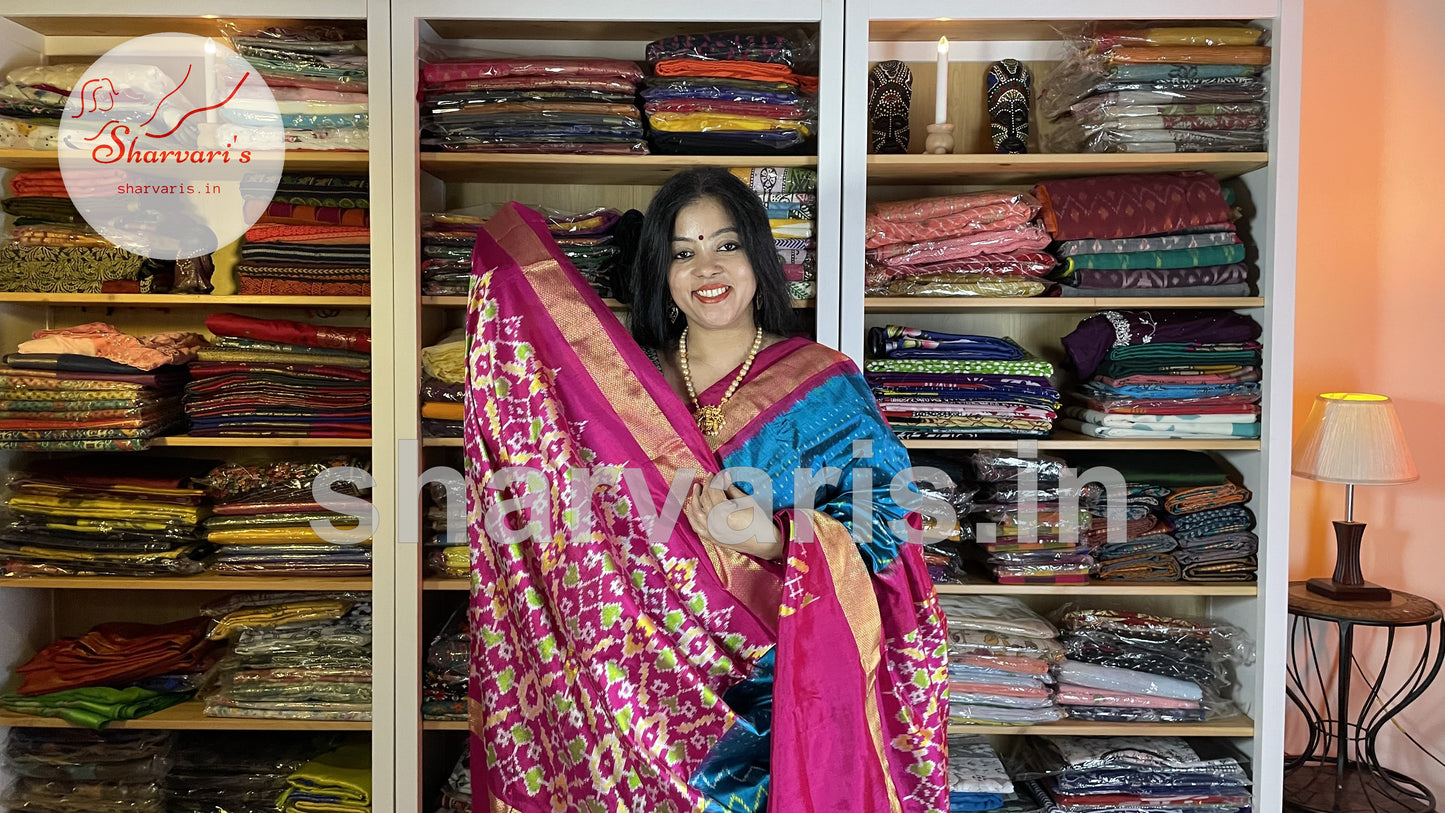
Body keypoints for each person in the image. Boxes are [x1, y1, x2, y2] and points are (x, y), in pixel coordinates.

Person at [463, 168, 948, 813]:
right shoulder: (623, 385)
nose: (706, 268)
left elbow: (894, 515)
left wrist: (777, 540)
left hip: (785, 682)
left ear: (757, 255)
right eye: (683, 253)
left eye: (726, 245)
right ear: (661, 273)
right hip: (640, 687)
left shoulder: (821, 381)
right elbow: (569, 511)